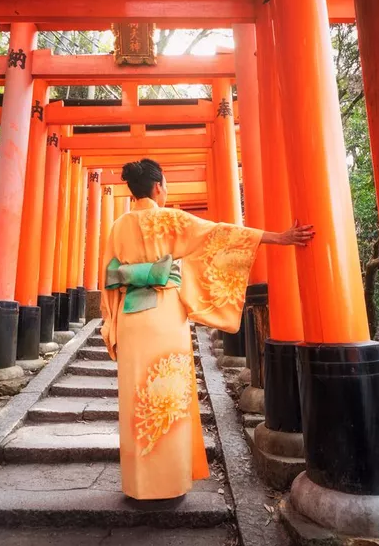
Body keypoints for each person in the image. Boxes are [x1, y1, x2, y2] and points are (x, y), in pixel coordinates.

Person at [101, 158, 314, 501]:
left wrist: (111, 324)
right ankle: (169, 483)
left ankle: (139, 484)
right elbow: (222, 235)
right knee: (169, 395)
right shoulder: (171, 220)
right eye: (166, 184)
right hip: (165, 315)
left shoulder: (117, 226)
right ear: (158, 187)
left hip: (130, 316)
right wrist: (280, 238)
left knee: (136, 397)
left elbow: (110, 278)